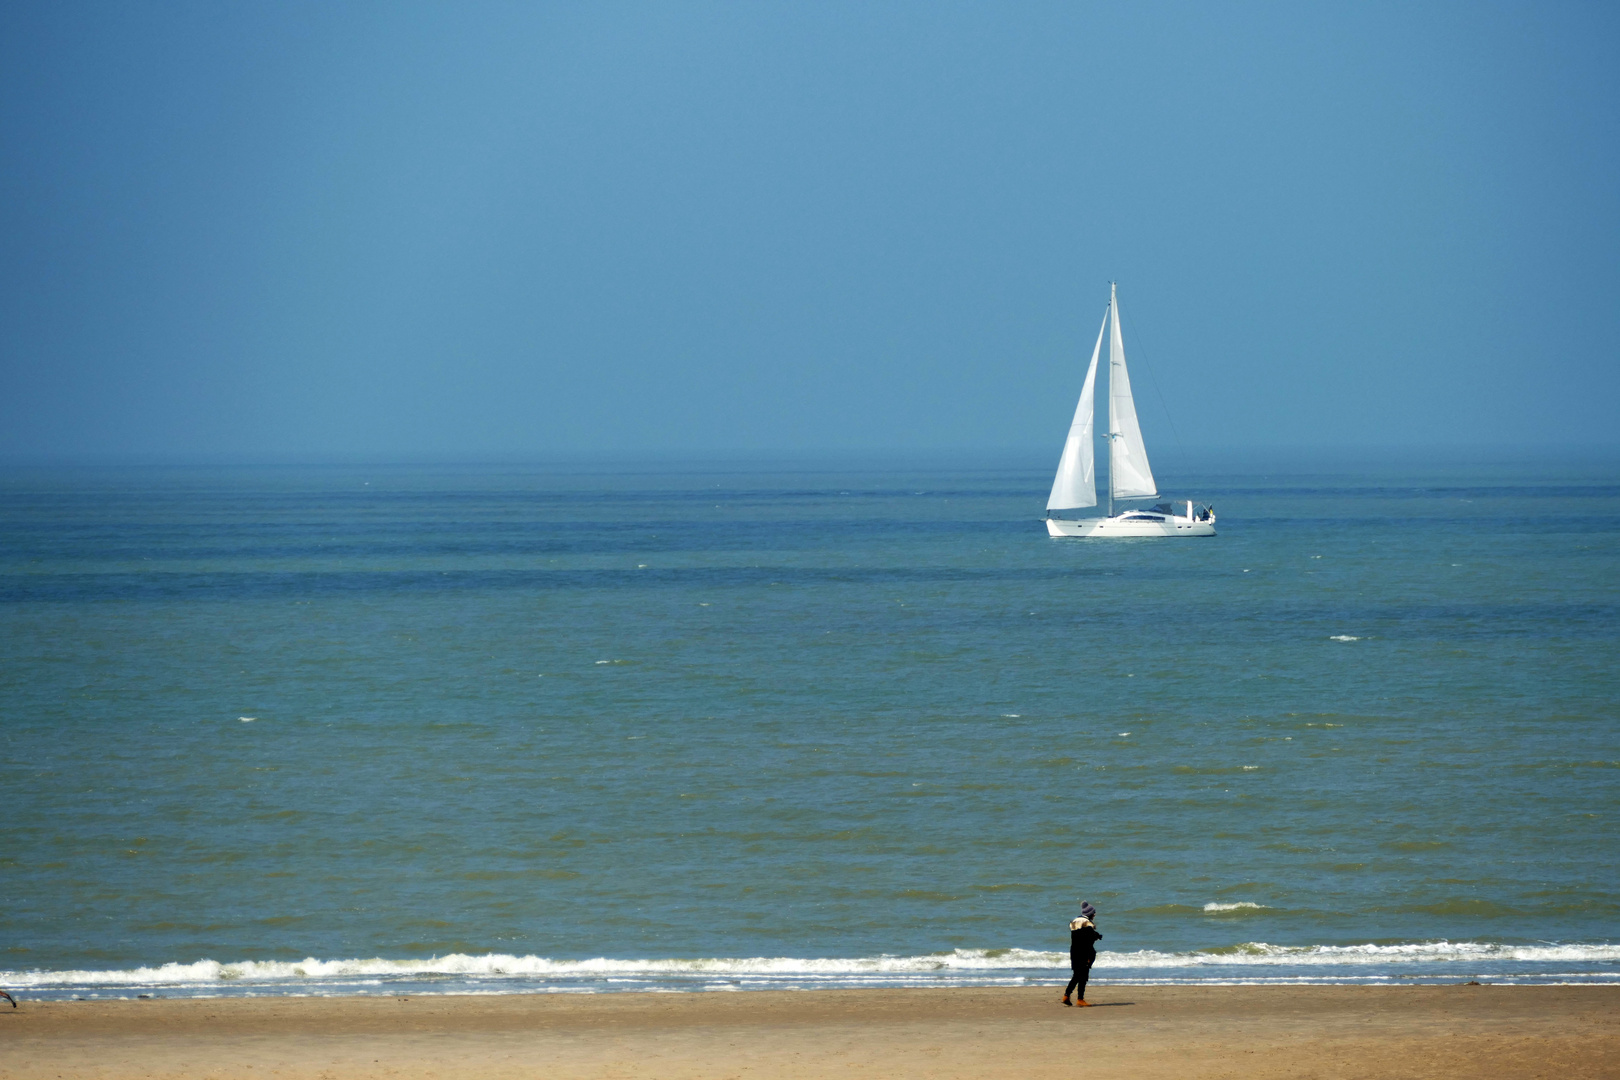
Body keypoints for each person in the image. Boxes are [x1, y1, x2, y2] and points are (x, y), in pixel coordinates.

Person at [1061, 902, 1102, 1007]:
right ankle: (1080, 999)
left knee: (1076, 975)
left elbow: (1080, 937)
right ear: (1089, 914)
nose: (1095, 915)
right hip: (1084, 952)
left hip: (1074, 952)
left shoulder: (1075, 922)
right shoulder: (1087, 923)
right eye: (1093, 913)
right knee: (1083, 976)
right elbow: (1089, 939)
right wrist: (1097, 936)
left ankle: (1066, 995)